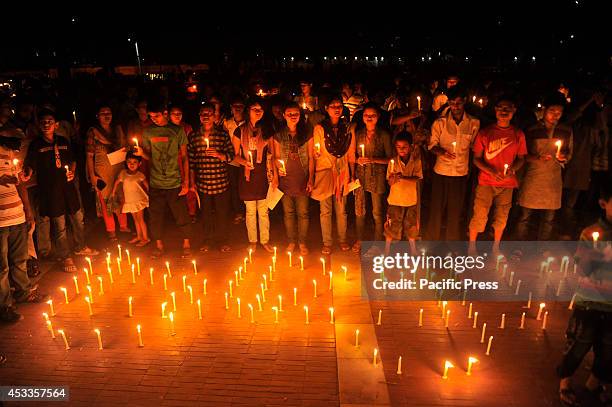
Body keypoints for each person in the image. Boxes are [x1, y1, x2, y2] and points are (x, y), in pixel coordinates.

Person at [557, 181, 612, 407]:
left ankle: (594, 383)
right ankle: (565, 383)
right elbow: (583, 267)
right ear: (603, 204)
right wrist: (597, 255)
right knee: (578, 344)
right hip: (589, 303)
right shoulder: (590, 234)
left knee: (608, 350)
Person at [23, 109, 98, 273]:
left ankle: (80, 246)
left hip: (68, 188)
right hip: (51, 190)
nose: (46, 124)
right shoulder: (36, 145)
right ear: (39, 125)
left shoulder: (63, 140)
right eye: (43, 122)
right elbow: (31, 165)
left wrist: (71, 170)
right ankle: (65, 256)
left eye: (50, 121)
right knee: (60, 225)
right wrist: (27, 172)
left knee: (78, 218)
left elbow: (72, 160)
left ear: (56, 124)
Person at [468, 96, 527, 254]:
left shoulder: (518, 134)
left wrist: (513, 169)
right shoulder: (485, 133)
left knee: (502, 216)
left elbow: (521, 158)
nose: (504, 111)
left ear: (513, 111)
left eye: (508, 109)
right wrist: (491, 171)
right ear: (495, 111)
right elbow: (476, 159)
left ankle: (496, 247)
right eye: (501, 108)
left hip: (507, 184)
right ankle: (472, 247)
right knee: (480, 214)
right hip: (487, 181)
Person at [133, 101, 192, 259]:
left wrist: (186, 181)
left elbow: (185, 157)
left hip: (175, 181)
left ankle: (186, 243)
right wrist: (141, 154)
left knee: (181, 214)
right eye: (151, 116)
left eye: (156, 116)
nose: (154, 119)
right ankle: (159, 245)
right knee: (156, 216)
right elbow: (149, 156)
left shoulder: (177, 130)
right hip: (156, 182)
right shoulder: (148, 132)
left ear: (165, 113)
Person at [0, 136, 47, 323]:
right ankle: (4, 306)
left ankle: (23, 292)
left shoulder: (9, 153)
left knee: (20, 259)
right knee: (1, 267)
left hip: (17, 215)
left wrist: (27, 210)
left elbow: (21, 184)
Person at [425, 86, 480, 241]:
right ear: (448, 102)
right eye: (452, 103)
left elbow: (474, 147)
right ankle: (431, 242)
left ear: (465, 102)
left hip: (460, 173)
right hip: (441, 172)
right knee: (436, 209)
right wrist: (441, 152)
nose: (455, 107)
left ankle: (452, 243)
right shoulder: (440, 123)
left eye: (459, 103)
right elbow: (431, 146)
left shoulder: (474, 123)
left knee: (455, 211)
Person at [516, 93, 573, 241]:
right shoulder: (532, 130)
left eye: (559, 112)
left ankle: (542, 247)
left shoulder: (566, 131)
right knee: (524, 217)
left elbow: (569, 154)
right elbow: (522, 155)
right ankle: (519, 247)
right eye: (552, 111)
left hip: (553, 180)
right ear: (545, 110)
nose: (556, 115)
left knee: (549, 219)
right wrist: (536, 158)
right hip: (533, 178)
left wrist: (564, 157)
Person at [188, 103, 235, 253]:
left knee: (222, 214)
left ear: (215, 116)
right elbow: (192, 161)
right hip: (203, 184)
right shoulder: (194, 136)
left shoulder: (222, 135)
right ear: (199, 117)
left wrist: (219, 155)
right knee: (206, 215)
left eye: (209, 113)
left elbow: (231, 155)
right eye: (203, 114)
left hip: (221, 183)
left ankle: (223, 240)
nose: (206, 117)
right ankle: (208, 240)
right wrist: (192, 181)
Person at [311, 95, 354, 254]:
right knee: (325, 209)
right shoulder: (319, 128)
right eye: (333, 105)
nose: (337, 108)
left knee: (342, 209)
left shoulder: (348, 127)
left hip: (342, 172)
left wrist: (352, 172)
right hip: (325, 172)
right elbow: (317, 151)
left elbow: (350, 152)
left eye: (339, 105)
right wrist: (318, 156)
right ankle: (327, 242)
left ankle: (342, 239)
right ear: (326, 108)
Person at [231, 100, 274, 253]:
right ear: (248, 111)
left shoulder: (267, 130)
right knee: (250, 211)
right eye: (254, 108)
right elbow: (234, 156)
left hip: (262, 175)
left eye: (260, 109)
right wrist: (244, 162)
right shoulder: (239, 131)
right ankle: (253, 241)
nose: (258, 111)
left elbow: (273, 153)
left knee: (263, 211)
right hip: (247, 175)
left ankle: (265, 240)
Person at [273, 102, 314, 256]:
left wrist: (310, 178)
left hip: (302, 178)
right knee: (288, 212)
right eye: (289, 113)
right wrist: (277, 175)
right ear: (284, 116)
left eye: (296, 113)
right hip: (286, 180)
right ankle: (292, 241)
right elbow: (276, 157)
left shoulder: (306, 133)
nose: (293, 116)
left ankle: (302, 242)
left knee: (303, 213)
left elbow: (311, 158)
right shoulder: (279, 135)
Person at [351, 103, 393, 252]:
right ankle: (360, 239)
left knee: (377, 211)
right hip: (361, 176)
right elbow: (352, 155)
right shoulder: (358, 134)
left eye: (372, 115)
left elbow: (391, 159)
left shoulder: (384, 135)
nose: (369, 118)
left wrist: (373, 159)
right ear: (362, 117)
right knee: (359, 210)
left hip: (378, 177)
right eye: (366, 115)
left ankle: (377, 241)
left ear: (378, 117)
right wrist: (357, 160)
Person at [85, 104, 129, 242]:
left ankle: (123, 226)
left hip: (118, 169)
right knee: (106, 200)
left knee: (120, 197)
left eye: (108, 112)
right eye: (103, 113)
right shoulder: (93, 133)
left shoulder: (117, 130)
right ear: (97, 116)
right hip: (103, 172)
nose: (106, 115)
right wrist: (92, 176)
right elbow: (89, 156)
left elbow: (125, 146)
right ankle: (111, 231)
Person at [384, 131, 423, 254]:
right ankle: (387, 250)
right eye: (398, 147)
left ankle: (413, 250)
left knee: (411, 226)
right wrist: (393, 179)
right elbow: (389, 182)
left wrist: (402, 177)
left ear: (410, 147)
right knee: (392, 225)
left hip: (411, 200)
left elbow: (417, 178)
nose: (401, 150)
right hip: (395, 200)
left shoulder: (416, 161)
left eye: (404, 147)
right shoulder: (393, 162)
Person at [112, 153, 149, 246]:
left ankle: (145, 238)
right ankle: (139, 236)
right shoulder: (123, 173)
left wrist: (150, 194)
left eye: (134, 162)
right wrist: (113, 192)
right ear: (126, 162)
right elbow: (117, 182)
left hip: (139, 200)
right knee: (135, 219)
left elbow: (146, 185)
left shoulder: (140, 175)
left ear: (139, 164)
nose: (132, 164)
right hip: (129, 200)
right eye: (129, 162)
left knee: (140, 219)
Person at [223, 97, 247, 225]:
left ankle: (246, 211)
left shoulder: (248, 123)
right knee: (233, 187)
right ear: (231, 108)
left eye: (240, 106)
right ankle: (238, 212)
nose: (237, 109)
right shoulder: (227, 123)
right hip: (232, 160)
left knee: (245, 186)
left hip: (246, 160)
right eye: (235, 106)